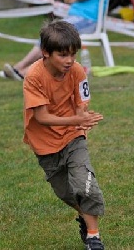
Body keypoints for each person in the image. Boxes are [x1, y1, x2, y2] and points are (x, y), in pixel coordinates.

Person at [23, 19, 105, 249]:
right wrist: (77, 118)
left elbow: (81, 104)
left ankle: (93, 237)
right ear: (46, 53)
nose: (70, 61)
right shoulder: (34, 76)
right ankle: (85, 219)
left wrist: (83, 119)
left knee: (85, 184)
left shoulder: (77, 70)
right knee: (66, 193)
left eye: (73, 54)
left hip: (73, 137)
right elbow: (42, 117)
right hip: (44, 144)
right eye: (63, 55)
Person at [0, 0, 111, 81]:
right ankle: (20, 68)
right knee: (49, 34)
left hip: (87, 20)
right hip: (74, 19)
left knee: (54, 36)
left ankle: (24, 71)